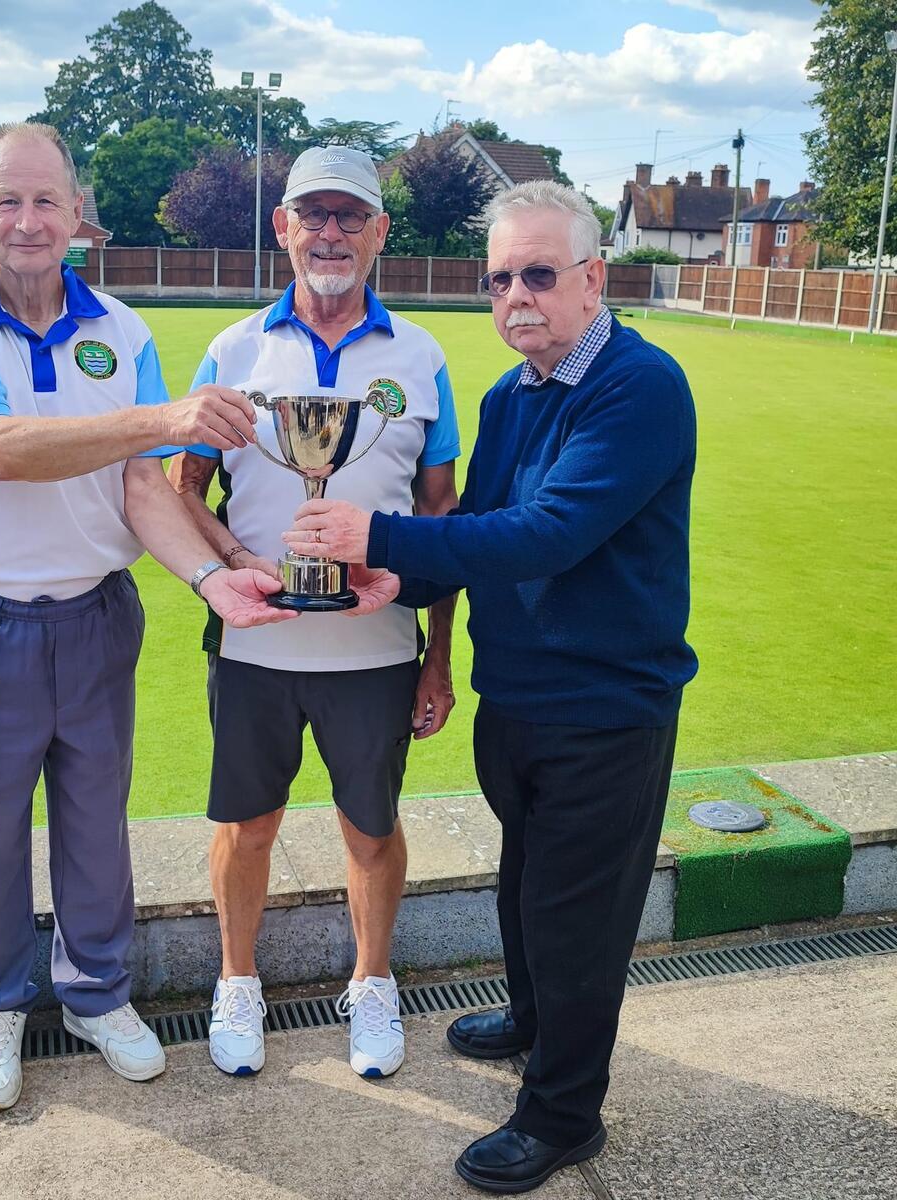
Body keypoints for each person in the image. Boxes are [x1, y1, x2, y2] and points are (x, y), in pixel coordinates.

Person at [283, 179, 698, 1193]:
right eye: (501, 277)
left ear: (594, 279)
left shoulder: (640, 387)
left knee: (578, 919)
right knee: (524, 891)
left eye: (541, 274)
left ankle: (563, 1114)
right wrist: (389, 581)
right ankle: (529, 1019)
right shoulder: (513, 395)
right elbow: (478, 527)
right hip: (516, 700)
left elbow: (550, 529)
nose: (517, 296)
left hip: (604, 711)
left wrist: (374, 532)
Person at [0, 121, 293, 1112]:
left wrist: (211, 579)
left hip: (95, 613)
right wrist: (163, 421)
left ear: (79, 212)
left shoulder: (120, 328)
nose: (29, 221)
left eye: (47, 200)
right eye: (8, 200)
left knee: (93, 823)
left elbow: (143, 492)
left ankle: (94, 993)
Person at [167, 146, 460, 1080]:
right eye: (313, 215)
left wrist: (437, 656)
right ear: (282, 227)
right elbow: (181, 495)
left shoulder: (421, 356)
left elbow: (445, 519)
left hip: (378, 646)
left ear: (379, 233)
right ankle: (237, 983)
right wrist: (235, 564)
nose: (330, 232)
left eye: (350, 217)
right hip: (257, 645)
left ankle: (373, 984)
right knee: (247, 825)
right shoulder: (234, 351)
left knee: (371, 828)